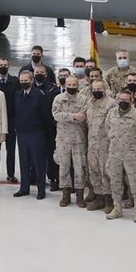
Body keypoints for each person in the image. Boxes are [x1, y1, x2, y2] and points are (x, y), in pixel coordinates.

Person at [105, 89, 136, 223]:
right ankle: (117, 208)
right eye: (121, 99)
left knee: (135, 182)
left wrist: (132, 144)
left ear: (131, 101)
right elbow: (108, 129)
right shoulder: (111, 113)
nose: (123, 102)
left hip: (132, 153)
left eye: (126, 100)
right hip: (114, 153)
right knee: (115, 181)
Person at [52, 75, 90, 207]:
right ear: (65, 85)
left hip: (78, 139)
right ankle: (65, 194)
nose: (71, 87)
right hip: (63, 139)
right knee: (64, 167)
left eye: (74, 85)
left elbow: (84, 116)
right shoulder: (58, 99)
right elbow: (56, 115)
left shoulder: (84, 100)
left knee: (80, 168)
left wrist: (68, 117)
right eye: (69, 85)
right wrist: (73, 116)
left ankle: (80, 195)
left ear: (78, 85)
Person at [13, 69, 50, 199]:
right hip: (22, 133)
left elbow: (46, 115)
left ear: (32, 80)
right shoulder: (18, 94)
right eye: (21, 81)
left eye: (26, 81)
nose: (23, 83)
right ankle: (24, 187)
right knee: (24, 161)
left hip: (36, 133)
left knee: (38, 162)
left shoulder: (39, 95)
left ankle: (41, 189)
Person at [84, 79, 114, 211]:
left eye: (99, 89)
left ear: (104, 89)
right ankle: (99, 198)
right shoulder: (89, 104)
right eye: (94, 89)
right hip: (92, 145)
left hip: (105, 145)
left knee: (106, 173)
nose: (96, 92)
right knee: (94, 171)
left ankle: (109, 201)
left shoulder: (112, 104)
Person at [0, 57, 17, 181]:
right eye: (1, 65)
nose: (3, 67)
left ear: (9, 66)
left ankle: (11, 174)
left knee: (11, 149)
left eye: (5, 65)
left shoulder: (15, 81)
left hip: (11, 119)